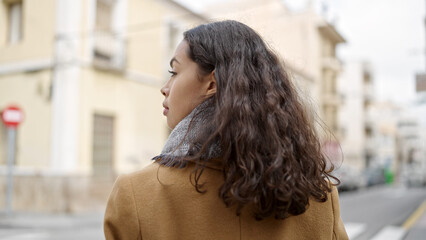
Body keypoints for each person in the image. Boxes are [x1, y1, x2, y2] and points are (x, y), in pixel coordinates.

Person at [104, 20, 349, 240]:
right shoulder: (321, 199)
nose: (165, 88)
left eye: (174, 72)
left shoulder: (136, 195)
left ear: (212, 83)